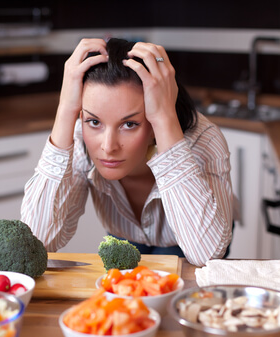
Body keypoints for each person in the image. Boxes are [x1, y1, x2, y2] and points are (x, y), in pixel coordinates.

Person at [21, 38, 233, 266]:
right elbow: (36, 241)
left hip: (193, 240)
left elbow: (206, 255)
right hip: (123, 237)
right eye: (94, 121)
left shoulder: (203, 141)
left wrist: (164, 118)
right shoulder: (79, 136)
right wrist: (65, 110)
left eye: (129, 124)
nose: (108, 146)